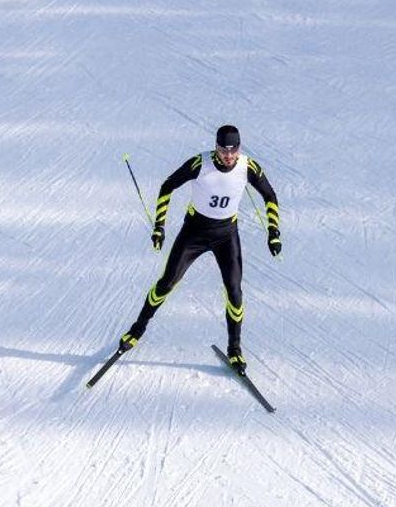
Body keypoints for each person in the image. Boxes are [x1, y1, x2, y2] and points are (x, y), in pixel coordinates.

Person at [118, 125, 281, 374]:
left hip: (226, 235)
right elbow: (168, 186)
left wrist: (274, 232)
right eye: (223, 150)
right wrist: (159, 227)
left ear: (239, 148)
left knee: (235, 293)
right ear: (215, 147)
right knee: (166, 283)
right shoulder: (199, 163)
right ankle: (137, 329)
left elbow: (269, 196)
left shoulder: (248, 167)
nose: (228, 156)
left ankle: (235, 350)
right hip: (194, 232)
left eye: (233, 150)